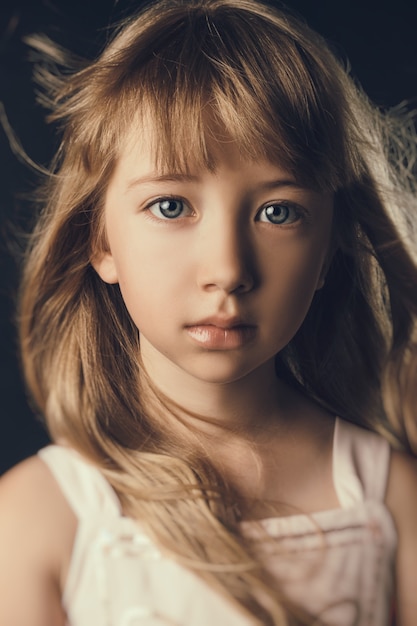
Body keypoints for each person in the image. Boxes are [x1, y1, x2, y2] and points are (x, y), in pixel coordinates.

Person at [1, 0, 417, 624]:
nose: (227, 270)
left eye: (278, 211)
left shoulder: (391, 501)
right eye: (171, 206)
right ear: (100, 239)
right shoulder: (42, 518)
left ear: (330, 250)